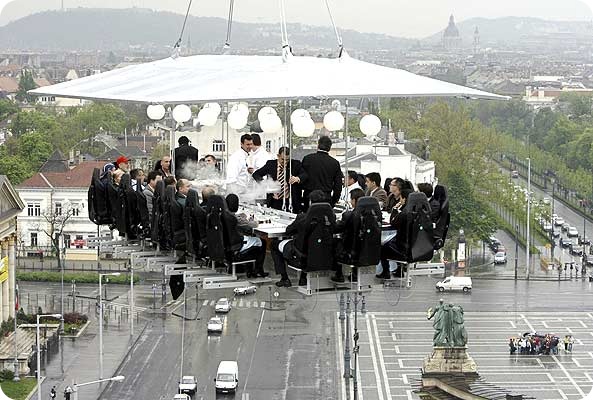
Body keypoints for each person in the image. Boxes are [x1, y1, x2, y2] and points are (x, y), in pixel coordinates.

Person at [272, 190, 333, 287]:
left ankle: (284, 278)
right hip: (323, 255)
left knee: (274, 245)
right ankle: (303, 278)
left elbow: (288, 231)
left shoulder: (302, 218)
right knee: (308, 245)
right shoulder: (330, 218)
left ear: (310, 202)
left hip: (300, 257)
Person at [292, 136, 343, 209]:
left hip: (309, 196)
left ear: (318, 145)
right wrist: (334, 200)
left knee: (309, 215)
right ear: (330, 147)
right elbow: (338, 185)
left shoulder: (308, 159)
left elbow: (302, 177)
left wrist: (299, 199)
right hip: (326, 197)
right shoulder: (334, 163)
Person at [225, 194, 268, 278]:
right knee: (262, 242)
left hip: (228, 245)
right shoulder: (237, 219)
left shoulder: (225, 215)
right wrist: (251, 220)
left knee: (250, 238)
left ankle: (249, 269)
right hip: (237, 246)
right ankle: (258, 270)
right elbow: (253, 225)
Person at [252, 146, 304, 213]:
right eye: (283, 159)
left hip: (291, 201)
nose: (285, 162)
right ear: (278, 156)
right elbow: (256, 174)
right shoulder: (270, 164)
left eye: (287, 160)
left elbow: (304, 175)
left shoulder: (295, 164)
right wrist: (265, 184)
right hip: (275, 201)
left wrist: (298, 178)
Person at [332, 188, 366, 282]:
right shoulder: (370, 215)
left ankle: (339, 274)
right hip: (364, 249)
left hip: (349, 249)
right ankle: (354, 273)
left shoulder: (348, 215)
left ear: (354, 200)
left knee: (333, 242)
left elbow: (336, 229)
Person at [377, 188, 413, 278]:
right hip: (414, 246)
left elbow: (393, 222)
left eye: (401, 198)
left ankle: (386, 271)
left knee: (383, 246)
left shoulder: (404, 213)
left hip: (403, 248)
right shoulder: (416, 211)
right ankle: (399, 270)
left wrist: (395, 208)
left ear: (404, 199)